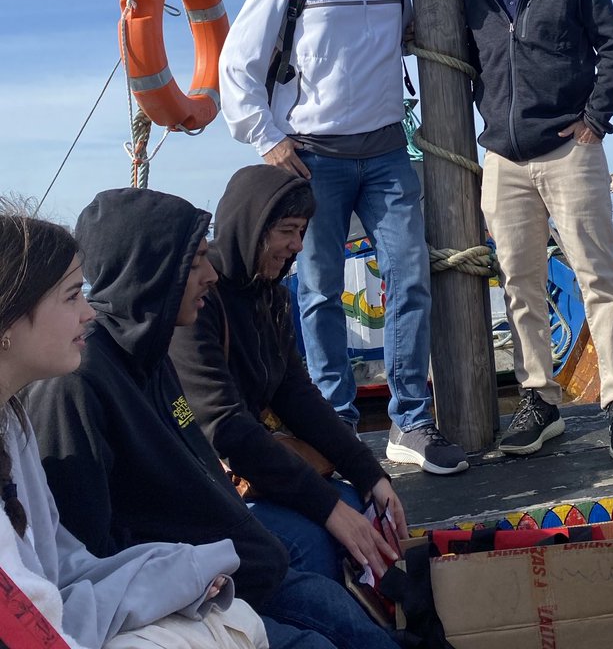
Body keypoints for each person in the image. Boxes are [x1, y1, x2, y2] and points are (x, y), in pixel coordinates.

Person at [27, 188, 402, 649]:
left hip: (238, 566)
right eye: (196, 261)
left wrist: (364, 474)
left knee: (360, 628)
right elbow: (89, 553)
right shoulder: (78, 384)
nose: (210, 275)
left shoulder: (152, 356)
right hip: (193, 592)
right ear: (153, 268)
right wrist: (195, 583)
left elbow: (210, 458)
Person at [218, 0, 466, 475]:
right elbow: (237, 62)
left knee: (410, 279)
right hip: (314, 157)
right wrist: (268, 140)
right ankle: (337, 425)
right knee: (320, 291)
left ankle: (410, 424)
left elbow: (397, 40)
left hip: (385, 151)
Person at [0, 205, 264, 649]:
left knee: (242, 619)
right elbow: (39, 629)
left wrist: (185, 570)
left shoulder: (13, 423)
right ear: (7, 319)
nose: (88, 313)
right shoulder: (73, 390)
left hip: (78, 611)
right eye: (71, 296)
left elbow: (64, 565)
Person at [463, 0, 613, 460]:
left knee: (599, 275)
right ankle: (539, 401)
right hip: (503, 159)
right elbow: (465, 62)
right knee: (520, 283)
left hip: (571, 149)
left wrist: (595, 118)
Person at [169, 165, 407, 584]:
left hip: (257, 468)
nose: (297, 245)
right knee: (313, 540)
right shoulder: (200, 306)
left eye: (302, 232)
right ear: (253, 224)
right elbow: (225, 428)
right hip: (210, 484)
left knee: (358, 501)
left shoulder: (271, 296)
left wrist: (369, 473)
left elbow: (296, 394)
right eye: (287, 231)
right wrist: (328, 510)